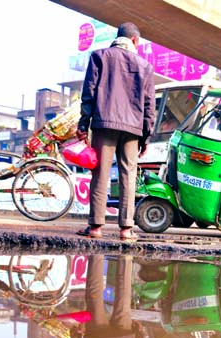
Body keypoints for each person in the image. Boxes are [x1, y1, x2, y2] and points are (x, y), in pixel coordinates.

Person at [75, 22, 155, 242]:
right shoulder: (145, 66)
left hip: (104, 123)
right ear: (135, 41)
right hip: (133, 129)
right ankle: (126, 230)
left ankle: (95, 228)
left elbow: (88, 93)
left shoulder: (99, 56)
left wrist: (83, 124)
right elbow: (149, 105)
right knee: (128, 175)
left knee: (100, 173)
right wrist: (147, 135)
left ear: (117, 37)